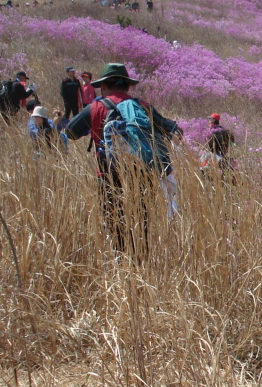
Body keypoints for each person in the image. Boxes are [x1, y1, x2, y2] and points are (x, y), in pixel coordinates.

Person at [65, 63, 181, 254]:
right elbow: (172, 129)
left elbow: (70, 132)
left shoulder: (96, 107)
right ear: (128, 86)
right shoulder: (142, 107)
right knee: (141, 225)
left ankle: (121, 263)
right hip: (144, 177)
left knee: (115, 225)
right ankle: (141, 262)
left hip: (109, 176)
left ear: (103, 86)